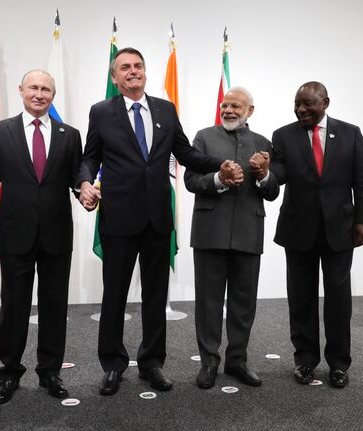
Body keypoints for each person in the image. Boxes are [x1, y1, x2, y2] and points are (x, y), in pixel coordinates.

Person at [78, 47, 243, 396]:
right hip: (118, 219)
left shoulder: (165, 110)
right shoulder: (101, 112)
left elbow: (185, 153)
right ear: (114, 77)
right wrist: (84, 184)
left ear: (145, 72)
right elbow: (90, 156)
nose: (133, 72)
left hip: (157, 219)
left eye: (138, 66)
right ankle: (112, 364)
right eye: (125, 68)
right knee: (115, 296)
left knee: (156, 296)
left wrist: (219, 165)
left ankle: (152, 363)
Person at [0, 70, 82, 404]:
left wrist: (86, 188)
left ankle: (50, 371)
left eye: (46, 89)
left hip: (56, 233)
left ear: (53, 94)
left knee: (54, 305)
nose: (39, 94)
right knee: (14, 306)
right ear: (21, 90)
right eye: (33, 88)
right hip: (16, 232)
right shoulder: (0, 131)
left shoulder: (70, 134)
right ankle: (9, 373)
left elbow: (77, 176)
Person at [271, 81, 363, 388]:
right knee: (300, 299)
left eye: (308, 104)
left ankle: (339, 364)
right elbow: (280, 173)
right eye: (297, 105)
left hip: (340, 229)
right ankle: (305, 361)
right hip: (298, 228)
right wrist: (265, 173)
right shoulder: (283, 135)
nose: (301, 109)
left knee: (338, 301)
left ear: (325, 102)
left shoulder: (350, 133)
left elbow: (362, 179)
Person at [184, 87, 279, 389]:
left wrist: (264, 174)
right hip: (210, 232)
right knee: (209, 302)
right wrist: (218, 179)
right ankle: (209, 362)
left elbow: (273, 191)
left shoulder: (263, 144)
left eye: (236, 106)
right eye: (225, 106)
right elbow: (189, 180)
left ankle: (237, 361)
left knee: (243, 303)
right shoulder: (203, 137)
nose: (228, 110)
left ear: (250, 111)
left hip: (249, 233)